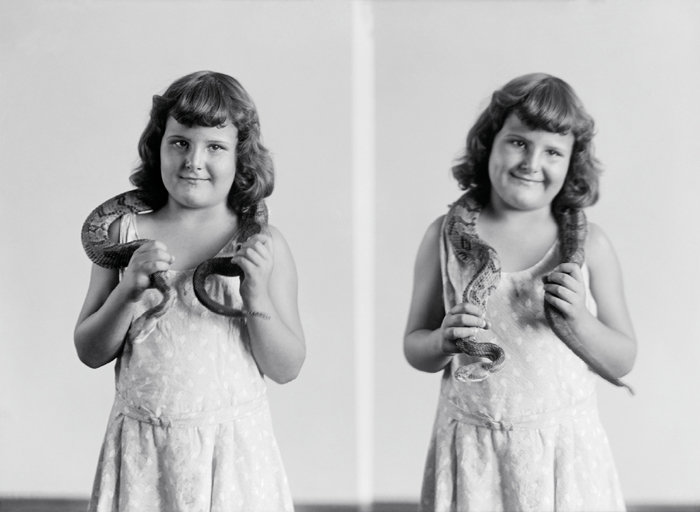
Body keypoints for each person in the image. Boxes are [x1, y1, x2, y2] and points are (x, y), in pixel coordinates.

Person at [75, 71, 305, 512]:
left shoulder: (261, 246)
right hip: (143, 452)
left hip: (231, 453)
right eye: (179, 142)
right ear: (158, 146)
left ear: (242, 158)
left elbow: (286, 368)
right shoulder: (121, 237)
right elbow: (89, 351)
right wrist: (127, 291)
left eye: (215, 146)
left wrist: (255, 296)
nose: (193, 160)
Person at [404, 73, 636, 511]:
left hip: (561, 454)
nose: (532, 162)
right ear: (489, 142)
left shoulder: (590, 246)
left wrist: (582, 320)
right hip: (474, 450)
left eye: (553, 151)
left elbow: (623, 357)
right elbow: (415, 346)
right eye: (518, 142)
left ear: (572, 163)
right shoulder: (445, 238)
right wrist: (441, 341)